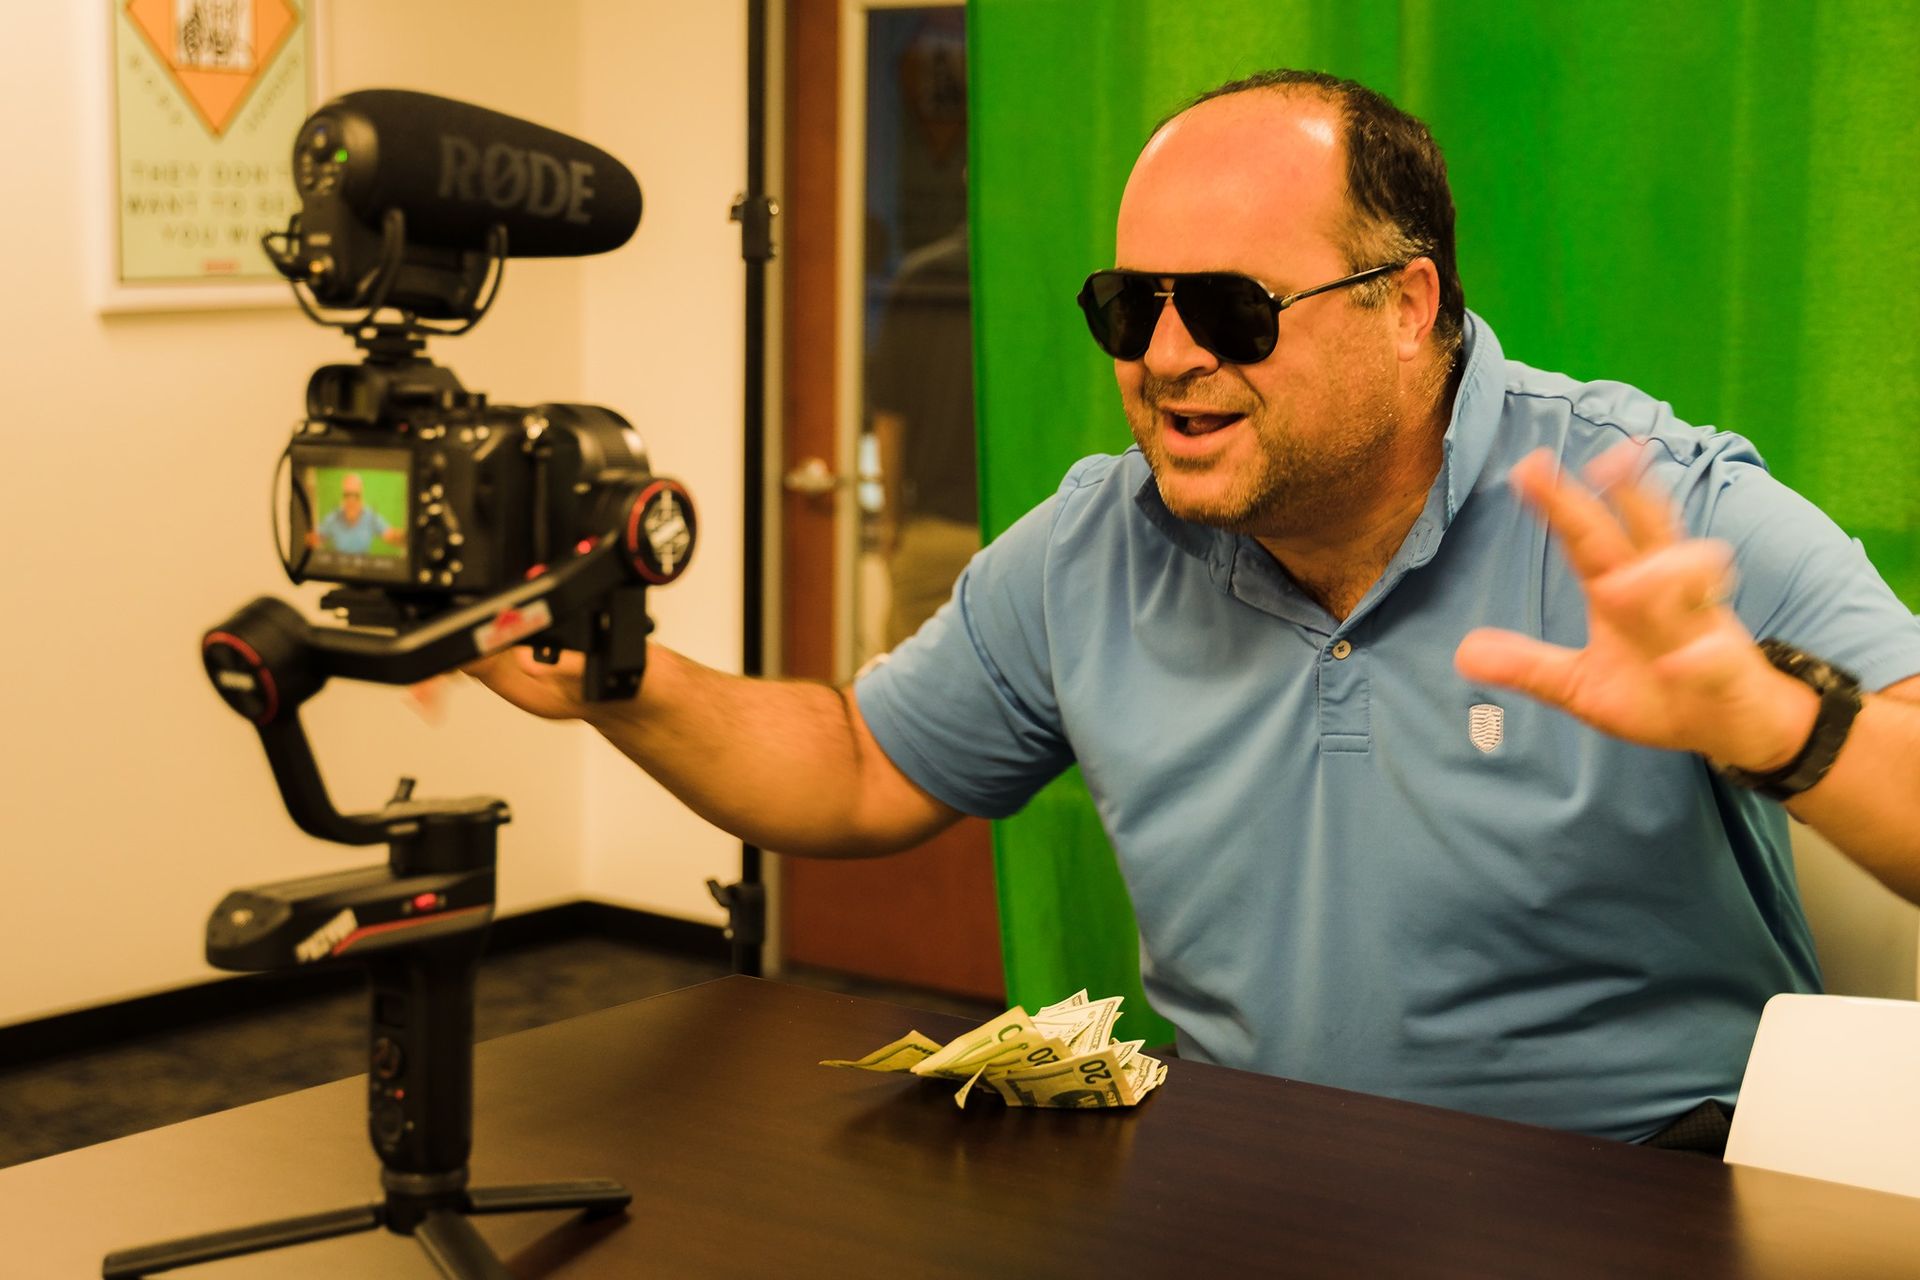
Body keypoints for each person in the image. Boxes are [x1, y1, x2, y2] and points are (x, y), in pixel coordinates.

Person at [468, 69, 1920, 1150]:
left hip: (1631, 1202)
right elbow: (857, 766)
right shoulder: (1097, 542)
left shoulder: (1639, 501)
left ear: (1407, 304)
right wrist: (623, 682)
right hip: (1244, 1187)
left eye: (1227, 309)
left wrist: (1778, 721)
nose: (1164, 357)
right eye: (1127, 308)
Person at [869, 222, 980, 648]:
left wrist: (891, 519)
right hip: (1025, 528)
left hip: (932, 535)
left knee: (902, 705)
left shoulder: (920, 278)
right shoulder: (1037, 277)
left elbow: (890, 415)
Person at [311, 472, 404, 554]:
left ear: (361, 495)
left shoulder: (370, 516)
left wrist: (408, 537)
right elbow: (315, 538)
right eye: (347, 495)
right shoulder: (334, 517)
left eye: (356, 495)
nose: (351, 500)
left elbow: (390, 535)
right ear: (342, 495)